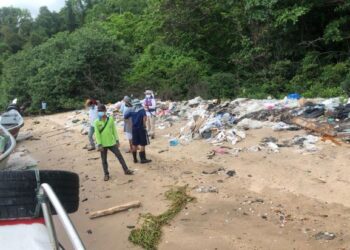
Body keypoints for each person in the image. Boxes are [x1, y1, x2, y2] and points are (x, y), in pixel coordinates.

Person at [94, 104, 133, 181]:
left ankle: (126, 170)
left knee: (119, 156)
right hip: (103, 144)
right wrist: (99, 144)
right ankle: (106, 174)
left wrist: (117, 140)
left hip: (112, 143)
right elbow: (97, 134)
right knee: (104, 160)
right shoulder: (96, 122)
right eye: (99, 111)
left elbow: (114, 130)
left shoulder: (110, 119)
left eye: (101, 111)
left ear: (105, 111)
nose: (100, 112)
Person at [125, 99, 152, 164]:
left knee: (134, 144)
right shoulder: (142, 110)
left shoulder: (132, 111)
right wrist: (144, 125)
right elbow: (144, 118)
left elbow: (125, 117)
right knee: (142, 143)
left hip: (134, 129)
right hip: (141, 128)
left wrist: (131, 123)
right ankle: (143, 159)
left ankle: (135, 159)